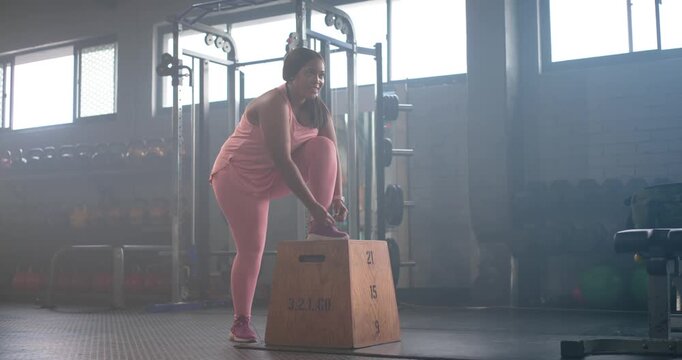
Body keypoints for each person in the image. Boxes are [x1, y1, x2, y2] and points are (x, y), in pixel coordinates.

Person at [209, 47, 349, 343]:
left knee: (323, 148)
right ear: (292, 75)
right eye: (310, 73)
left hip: (271, 175)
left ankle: (320, 228)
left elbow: (332, 153)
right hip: (236, 176)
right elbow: (284, 161)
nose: (317, 80)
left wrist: (337, 196)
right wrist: (313, 205)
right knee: (251, 250)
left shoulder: (318, 109)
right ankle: (241, 322)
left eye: (321, 74)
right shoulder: (274, 103)